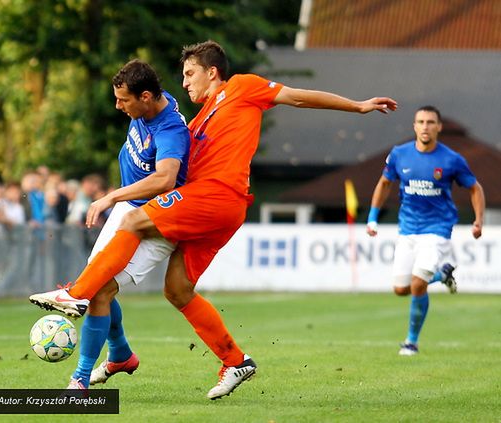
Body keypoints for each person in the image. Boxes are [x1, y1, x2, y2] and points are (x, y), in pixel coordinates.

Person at [30, 40, 397, 399]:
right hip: (214, 210)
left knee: (132, 222)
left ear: (212, 72)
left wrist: (358, 106)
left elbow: (298, 96)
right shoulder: (196, 118)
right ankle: (236, 361)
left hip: (218, 195)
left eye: (190, 74)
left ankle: (77, 294)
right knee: (176, 289)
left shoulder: (243, 87)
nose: (185, 81)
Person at [34, 59, 190, 390]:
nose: (118, 106)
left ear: (146, 96)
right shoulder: (149, 108)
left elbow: (165, 179)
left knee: (100, 288)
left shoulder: (170, 128)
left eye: (124, 100)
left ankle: (80, 380)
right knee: (97, 288)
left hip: (156, 220)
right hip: (129, 211)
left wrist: (111, 196)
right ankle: (120, 354)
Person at [366, 105, 485, 356]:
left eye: (431, 122)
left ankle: (411, 342)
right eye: (420, 122)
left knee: (418, 285)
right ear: (414, 126)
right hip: (408, 229)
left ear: (439, 127)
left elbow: (475, 188)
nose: (425, 126)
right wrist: (372, 218)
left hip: (437, 229)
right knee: (401, 289)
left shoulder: (451, 159)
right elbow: (384, 183)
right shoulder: (399, 154)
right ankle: (444, 275)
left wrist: (478, 220)